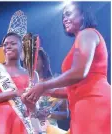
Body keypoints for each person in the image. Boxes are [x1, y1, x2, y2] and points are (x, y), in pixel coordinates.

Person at [23, 2, 111, 134]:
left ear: (83, 14)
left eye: (69, 14)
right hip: (82, 105)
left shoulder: (87, 34)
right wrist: (41, 90)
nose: (64, 19)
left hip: (94, 101)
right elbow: (71, 90)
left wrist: (43, 86)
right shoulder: (81, 39)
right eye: (63, 16)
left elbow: (79, 72)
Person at [0, 32, 38, 134]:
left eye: (13, 43)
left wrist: (39, 111)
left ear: (22, 47)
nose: (8, 46)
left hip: (23, 123)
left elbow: (35, 106)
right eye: (5, 44)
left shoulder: (32, 74)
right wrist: (14, 93)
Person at [36, 47, 69, 126]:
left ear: (43, 62)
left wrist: (49, 113)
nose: (33, 62)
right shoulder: (25, 82)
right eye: (30, 59)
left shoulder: (56, 83)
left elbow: (65, 114)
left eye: (36, 59)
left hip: (50, 129)